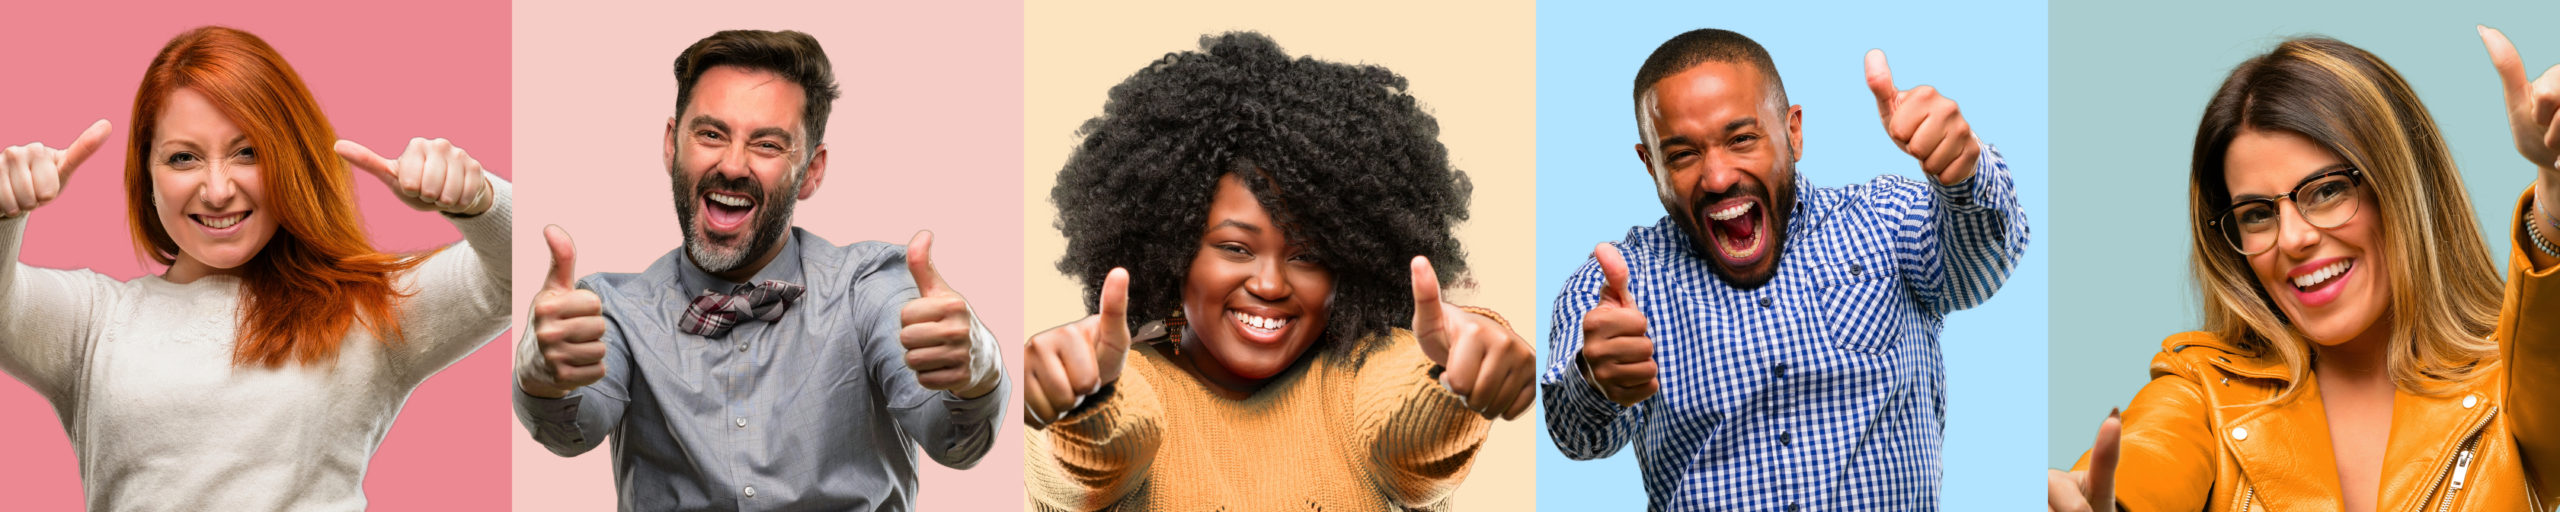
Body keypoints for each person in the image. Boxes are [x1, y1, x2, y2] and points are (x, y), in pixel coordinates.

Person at [1018, 31, 1538, 511]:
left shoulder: (1359, 374)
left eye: (1307, 256)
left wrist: (1454, 382)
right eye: (1235, 248)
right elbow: (1096, 456)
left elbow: (1407, 420)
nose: (1269, 285)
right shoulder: (1132, 378)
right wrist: (1084, 404)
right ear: (1173, 251)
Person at [2049, 29, 2560, 512]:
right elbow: (2150, 452)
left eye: (2328, 190)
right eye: (2256, 214)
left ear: (2402, 188)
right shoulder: (2205, 392)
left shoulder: (2514, 383)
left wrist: (2554, 202)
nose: (2293, 239)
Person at [0, 26, 510, 510]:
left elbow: (517, 273)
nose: (218, 190)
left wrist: (477, 200)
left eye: (248, 152)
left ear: (290, 161)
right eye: (183, 158)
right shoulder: (92, 324)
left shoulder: (362, 309)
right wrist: (4, 213)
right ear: (146, 176)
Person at [511, 29, 1006, 511]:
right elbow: (572, 430)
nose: (731, 164)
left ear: (811, 170)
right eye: (710, 134)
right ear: (671, 144)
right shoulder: (614, 310)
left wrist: (978, 374)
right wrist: (541, 378)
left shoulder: (870, 287)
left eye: (767, 144)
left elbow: (954, 439)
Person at [1540, 28, 2030, 509]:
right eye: (1683, 154)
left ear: (1793, 131)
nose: (1717, 176)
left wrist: (1964, 173)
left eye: (1741, 139)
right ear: (1651, 165)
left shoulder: (1885, 218)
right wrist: (1597, 379)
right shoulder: (1618, 286)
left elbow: (1978, 270)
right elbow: (1575, 433)